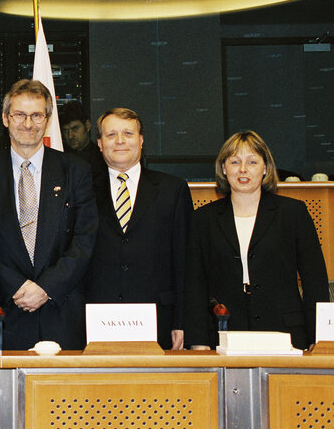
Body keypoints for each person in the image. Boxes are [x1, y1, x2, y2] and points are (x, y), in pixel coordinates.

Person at [0, 80, 98, 350]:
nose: (28, 123)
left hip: (61, 311)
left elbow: (84, 239)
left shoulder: (76, 171)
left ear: (47, 120)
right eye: (19, 115)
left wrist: (46, 287)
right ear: (5, 118)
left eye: (37, 115)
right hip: (2, 310)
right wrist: (16, 284)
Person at [184, 131, 329, 350]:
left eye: (252, 162)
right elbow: (195, 286)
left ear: (266, 168)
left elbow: (315, 282)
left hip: (286, 333)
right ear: (224, 169)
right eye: (235, 162)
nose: (243, 169)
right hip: (224, 335)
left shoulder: (293, 214)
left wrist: (319, 339)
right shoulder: (202, 219)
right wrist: (198, 342)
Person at [85, 108, 192, 350]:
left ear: (141, 140)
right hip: (96, 319)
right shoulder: (83, 191)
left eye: (128, 133)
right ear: (100, 144)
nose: (120, 141)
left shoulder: (172, 190)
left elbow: (185, 261)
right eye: (111, 135)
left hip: (159, 320)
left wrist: (182, 321)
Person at [58, 101, 105, 176]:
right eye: (66, 130)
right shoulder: (59, 158)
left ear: (87, 125)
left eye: (75, 128)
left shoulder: (102, 159)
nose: (70, 136)